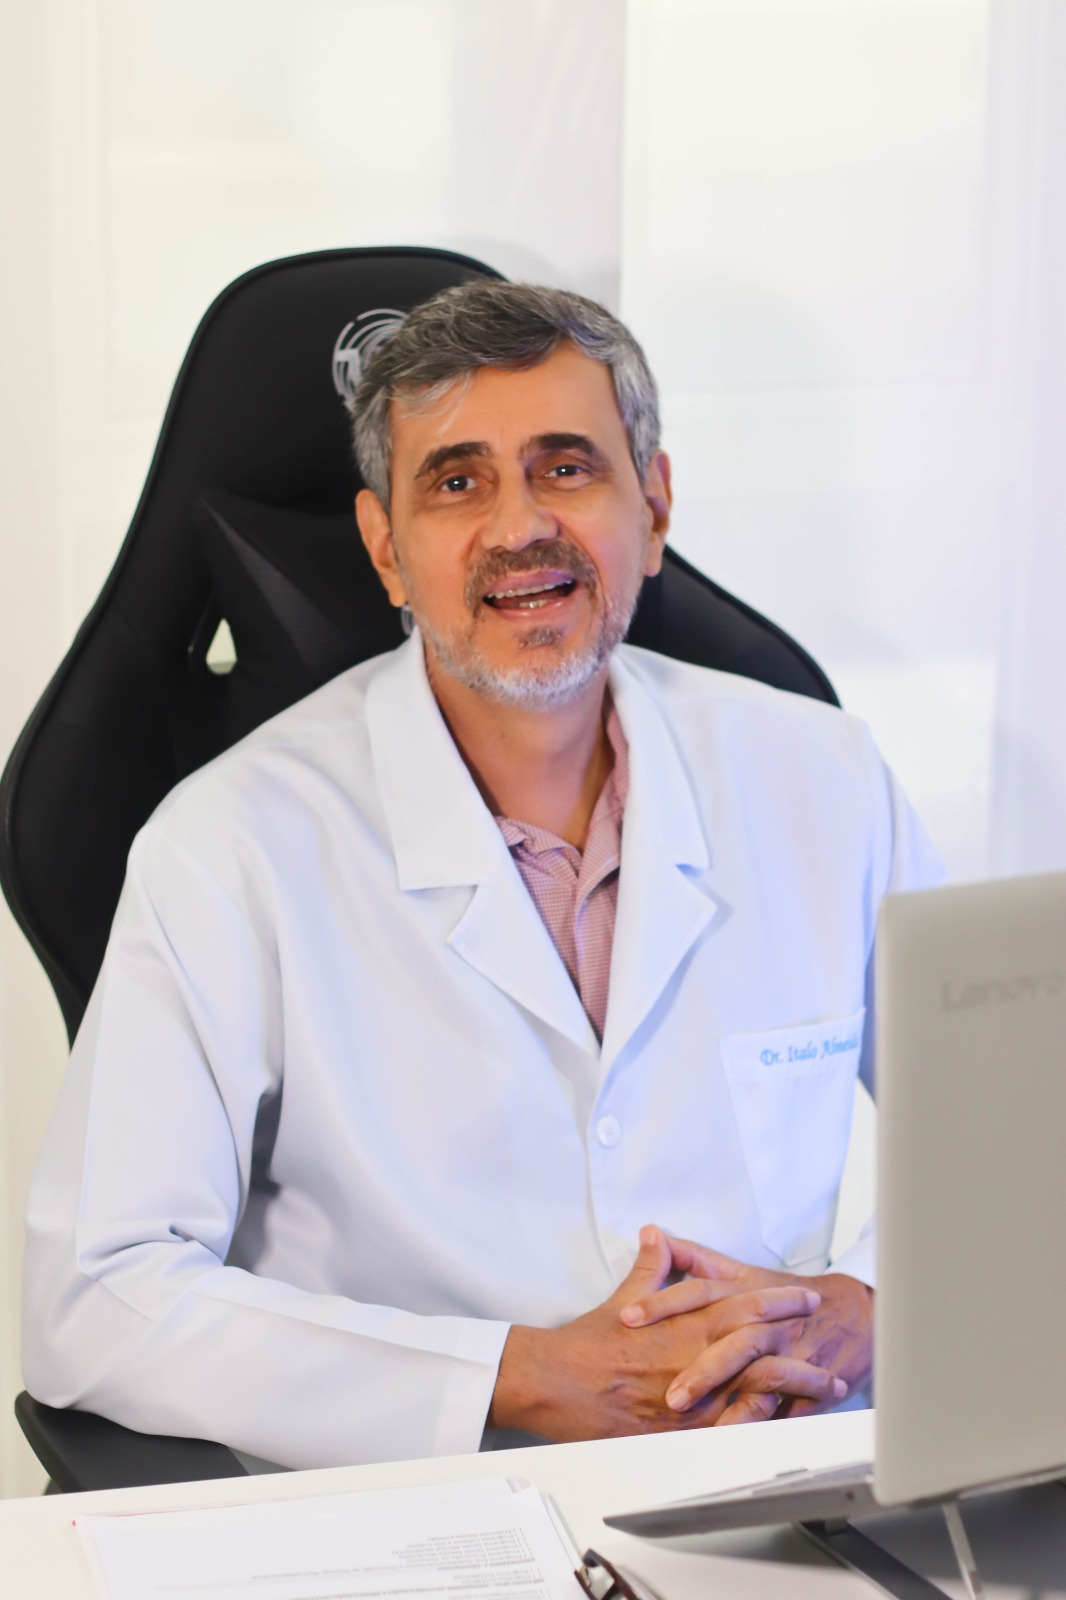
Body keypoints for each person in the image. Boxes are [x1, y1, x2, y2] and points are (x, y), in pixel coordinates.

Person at [22, 283, 942, 1470]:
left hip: (766, 1478)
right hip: (415, 1513)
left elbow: (1020, 1144)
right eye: (457, 482)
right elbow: (92, 1297)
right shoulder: (232, 844)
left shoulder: (824, 779)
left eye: (566, 467)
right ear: (385, 550)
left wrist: (870, 1308)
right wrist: (521, 1374)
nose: (519, 526)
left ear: (654, 508)